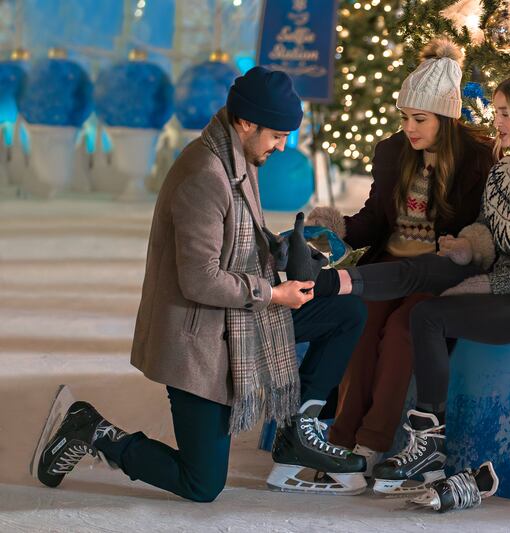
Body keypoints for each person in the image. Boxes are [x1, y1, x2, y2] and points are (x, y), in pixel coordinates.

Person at [32, 67, 369, 501]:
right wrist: (273, 293)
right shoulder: (204, 175)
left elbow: (239, 236)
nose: (283, 146)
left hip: (238, 321)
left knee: (347, 311)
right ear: (247, 122)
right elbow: (199, 279)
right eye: (278, 135)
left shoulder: (240, 156)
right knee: (202, 483)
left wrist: (281, 250)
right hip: (199, 338)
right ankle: (90, 429)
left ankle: (297, 430)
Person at [314, 70, 510, 494]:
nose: (495, 120)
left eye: (504, 113)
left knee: (418, 318)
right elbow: (485, 229)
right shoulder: (504, 170)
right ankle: (339, 285)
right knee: (404, 310)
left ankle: (402, 444)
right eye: (497, 110)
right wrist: (467, 247)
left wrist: (490, 281)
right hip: (491, 277)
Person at [304, 38, 495, 490]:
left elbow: (484, 227)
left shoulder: (479, 158)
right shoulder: (393, 152)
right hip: (389, 264)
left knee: (402, 334)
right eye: (404, 118)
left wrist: (463, 247)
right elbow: (374, 220)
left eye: (419, 119)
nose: (409, 128)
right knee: (360, 323)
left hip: (439, 272)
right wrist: (340, 230)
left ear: (446, 117)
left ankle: (370, 447)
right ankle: (340, 442)